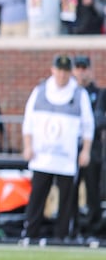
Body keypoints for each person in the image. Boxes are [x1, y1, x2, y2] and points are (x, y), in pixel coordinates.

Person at [21, 55, 94, 244]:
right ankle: (30, 233)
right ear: (53, 70)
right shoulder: (40, 90)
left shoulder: (79, 94)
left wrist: (85, 150)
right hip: (42, 154)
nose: (62, 75)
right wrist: (28, 146)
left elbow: (88, 125)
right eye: (59, 70)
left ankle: (62, 235)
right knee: (37, 195)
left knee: (67, 199)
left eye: (65, 71)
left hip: (66, 156)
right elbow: (28, 121)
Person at [71, 55, 103, 238]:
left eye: (84, 68)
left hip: (93, 148)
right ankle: (72, 228)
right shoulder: (70, 94)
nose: (81, 72)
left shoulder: (98, 94)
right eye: (78, 68)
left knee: (93, 191)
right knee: (70, 192)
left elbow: (99, 120)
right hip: (72, 148)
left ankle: (94, 230)